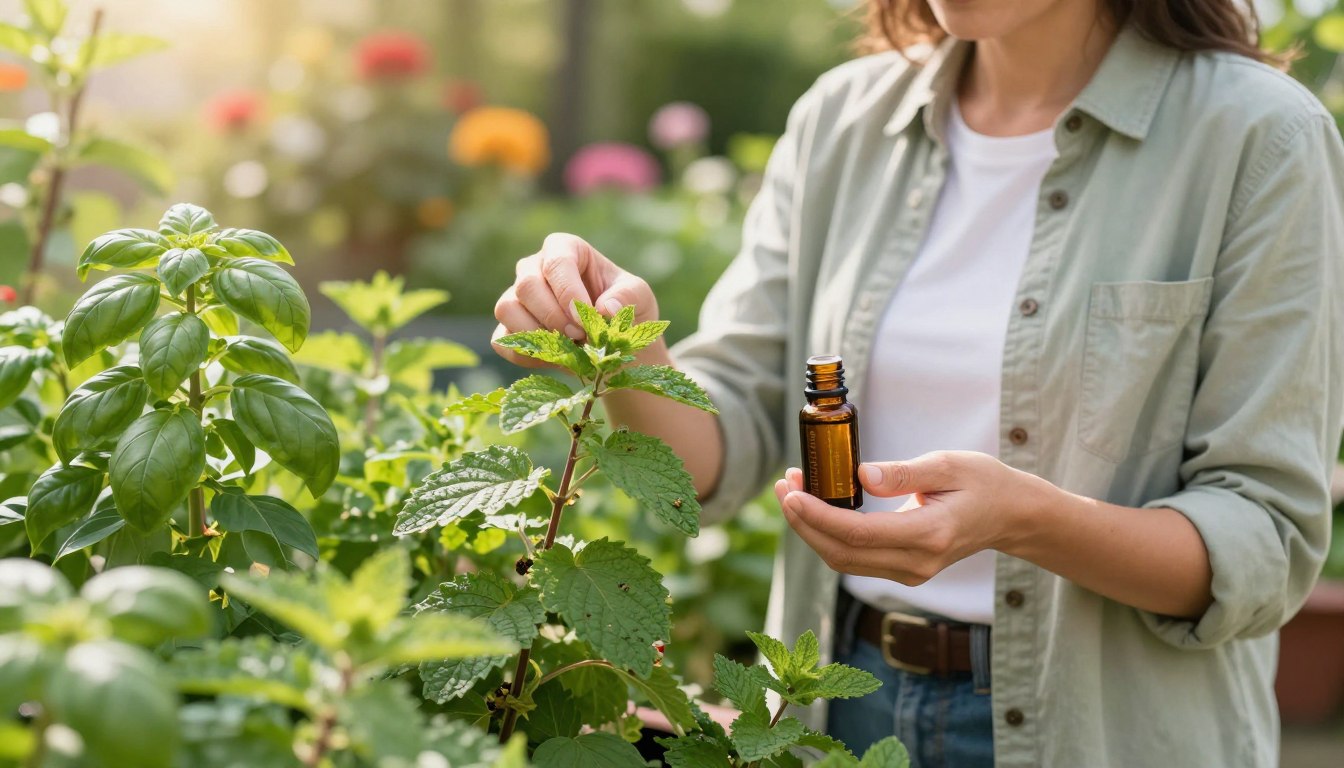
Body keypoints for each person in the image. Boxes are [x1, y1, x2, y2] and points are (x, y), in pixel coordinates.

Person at [490, 0, 1344, 765]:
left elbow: (1264, 542)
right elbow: (722, 446)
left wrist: (1026, 522)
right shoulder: (840, 120)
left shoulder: (1258, 137)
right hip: (836, 711)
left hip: (1104, 730)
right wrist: (619, 344)